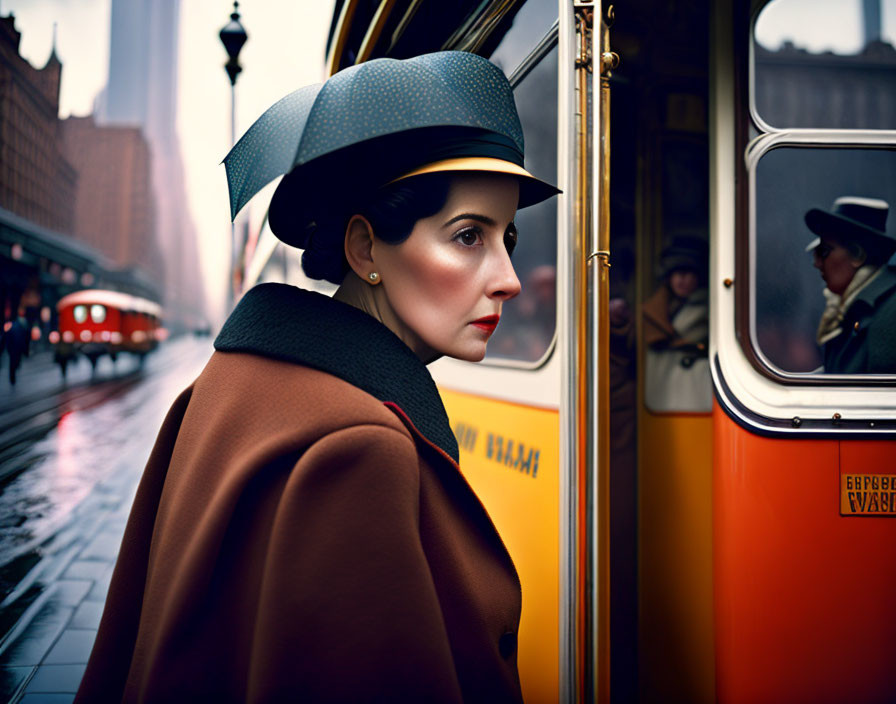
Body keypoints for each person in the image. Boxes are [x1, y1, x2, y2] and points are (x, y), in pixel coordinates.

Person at [75, 52, 558, 703]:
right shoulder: (361, 450)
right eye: (469, 236)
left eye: (509, 240)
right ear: (365, 251)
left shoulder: (228, 381)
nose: (508, 278)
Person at [805, 196, 896, 374]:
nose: (816, 263)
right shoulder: (852, 307)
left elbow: (880, 393)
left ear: (856, 255)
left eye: (823, 251)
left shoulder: (890, 312)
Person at [641, 235, 712, 412]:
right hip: (657, 399)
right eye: (676, 272)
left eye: (689, 273)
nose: (682, 279)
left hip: (694, 397)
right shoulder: (654, 309)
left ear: (700, 277)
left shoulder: (711, 311)